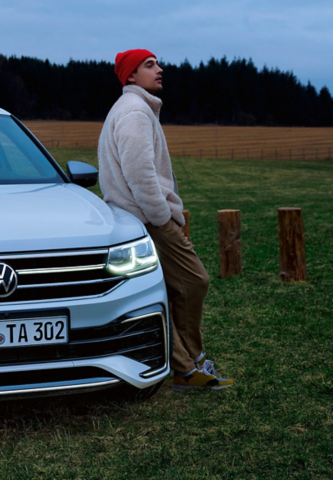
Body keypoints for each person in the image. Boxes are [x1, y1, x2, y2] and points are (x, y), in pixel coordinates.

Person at [97, 49, 233, 391]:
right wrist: (161, 217)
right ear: (130, 77)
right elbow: (140, 174)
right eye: (149, 65)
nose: (160, 69)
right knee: (193, 281)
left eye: (157, 63)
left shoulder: (135, 109)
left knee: (169, 288)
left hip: (138, 217)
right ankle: (190, 362)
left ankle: (187, 367)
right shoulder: (134, 112)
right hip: (146, 219)